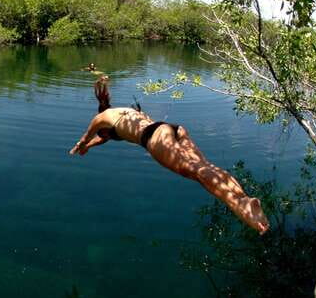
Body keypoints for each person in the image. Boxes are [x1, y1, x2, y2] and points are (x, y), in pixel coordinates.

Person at [69, 77, 270, 233]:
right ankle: (244, 197)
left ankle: (240, 207)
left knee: (198, 173)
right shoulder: (121, 114)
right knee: (205, 167)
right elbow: (103, 138)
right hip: (171, 129)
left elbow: (87, 137)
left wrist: (81, 146)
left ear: (102, 126)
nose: (105, 138)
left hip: (154, 140)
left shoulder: (100, 118)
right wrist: (93, 146)